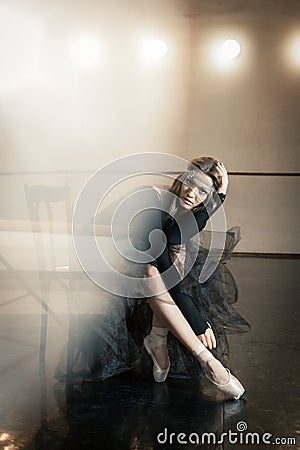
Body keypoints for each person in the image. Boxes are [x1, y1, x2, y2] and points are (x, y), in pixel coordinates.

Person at [55, 157, 250, 400]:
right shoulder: (151, 201)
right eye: (190, 182)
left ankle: (157, 337)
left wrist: (219, 197)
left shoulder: (182, 212)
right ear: (182, 177)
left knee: (175, 260)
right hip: (94, 258)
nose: (191, 192)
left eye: (203, 190)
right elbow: (163, 269)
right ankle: (207, 361)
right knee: (152, 272)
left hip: (131, 260)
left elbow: (174, 241)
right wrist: (195, 320)